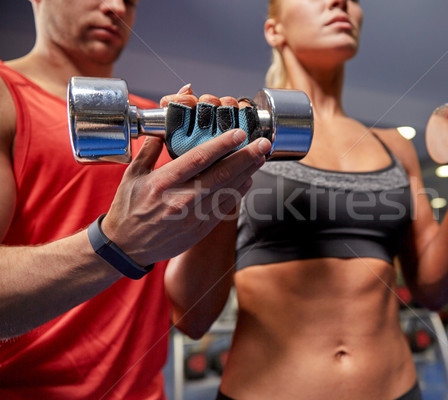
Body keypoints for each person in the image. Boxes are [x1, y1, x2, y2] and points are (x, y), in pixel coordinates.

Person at [166, 1, 448, 399]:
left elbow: (432, 290)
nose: (341, 3)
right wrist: (216, 179)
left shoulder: (394, 146)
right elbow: (191, 317)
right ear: (274, 31)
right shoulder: (241, 132)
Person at [0, 0, 271, 398]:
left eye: (129, 0)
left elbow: (192, 316)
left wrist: (225, 179)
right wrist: (114, 243)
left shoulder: (164, 124)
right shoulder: (6, 98)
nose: (115, 8)